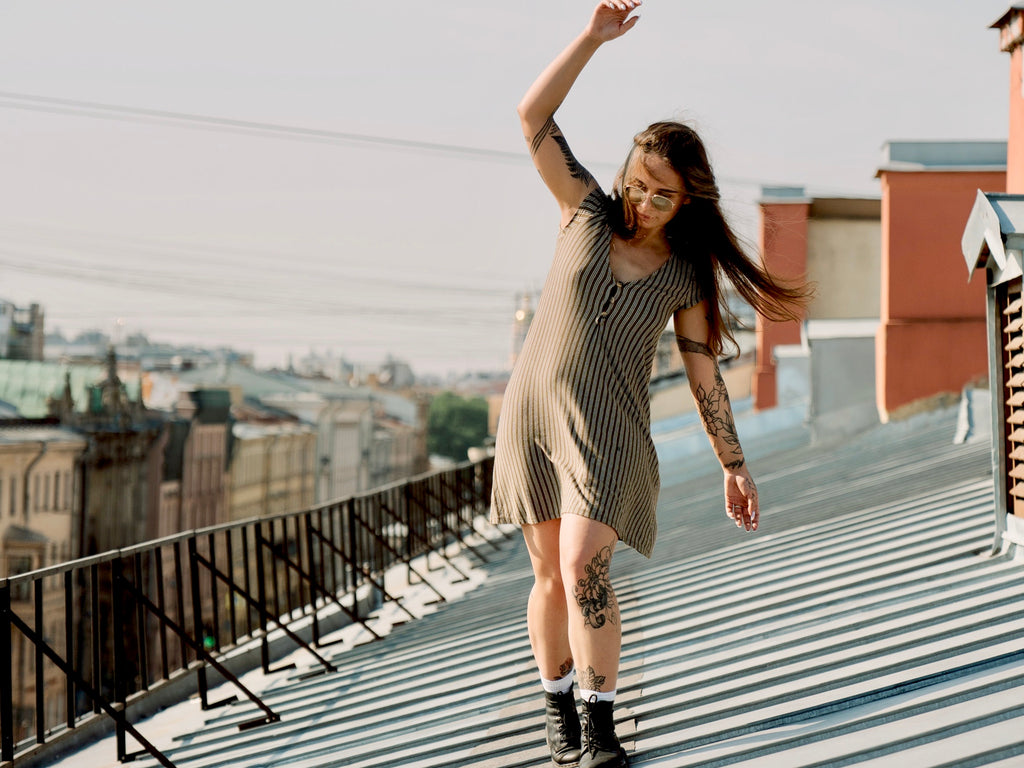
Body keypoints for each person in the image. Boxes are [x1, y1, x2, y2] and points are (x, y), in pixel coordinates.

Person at [489, 2, 809, 766]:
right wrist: (592, 40)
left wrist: (734, 463)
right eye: (637, 184)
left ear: (688, 201)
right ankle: (558, 715)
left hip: (609, 434)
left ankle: (600, 730)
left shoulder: (686, 278)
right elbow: (532, 115)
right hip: (533, 420)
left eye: (660, 195)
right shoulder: (585, 212)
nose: (641, 202)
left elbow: (704, 380)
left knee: (582, 565)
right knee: (545, 577)